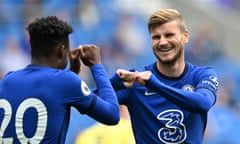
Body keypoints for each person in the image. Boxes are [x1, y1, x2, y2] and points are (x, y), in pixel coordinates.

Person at [0, 16, 120, 144]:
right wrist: (96, 65)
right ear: (61, 51)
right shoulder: (65, 81)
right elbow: (112, 114)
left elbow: (53, 96)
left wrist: (72, 73)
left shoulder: (7, 80)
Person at [110, 9, 219, 143]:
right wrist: (113, 83)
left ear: (185, 36)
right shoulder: (137, 83)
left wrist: (155, 85)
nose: (162, 42)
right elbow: (89, 100)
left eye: (169, 35)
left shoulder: (202, 75)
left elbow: (203, 103)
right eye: (156, 37)